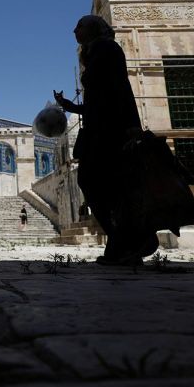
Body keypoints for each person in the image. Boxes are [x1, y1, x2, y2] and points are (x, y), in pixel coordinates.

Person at [55, 14, 156, 265]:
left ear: (92, 29)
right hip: (100, 128)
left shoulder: (107, 49)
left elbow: (121, 90)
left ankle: (127, 241)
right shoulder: (95, 53)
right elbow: (97, 101)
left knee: (100, 183)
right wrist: (71, 106)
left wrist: (132, 125)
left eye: (79, 26)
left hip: (110, 130)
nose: (74, 30)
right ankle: (123, 241)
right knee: (101, 184)